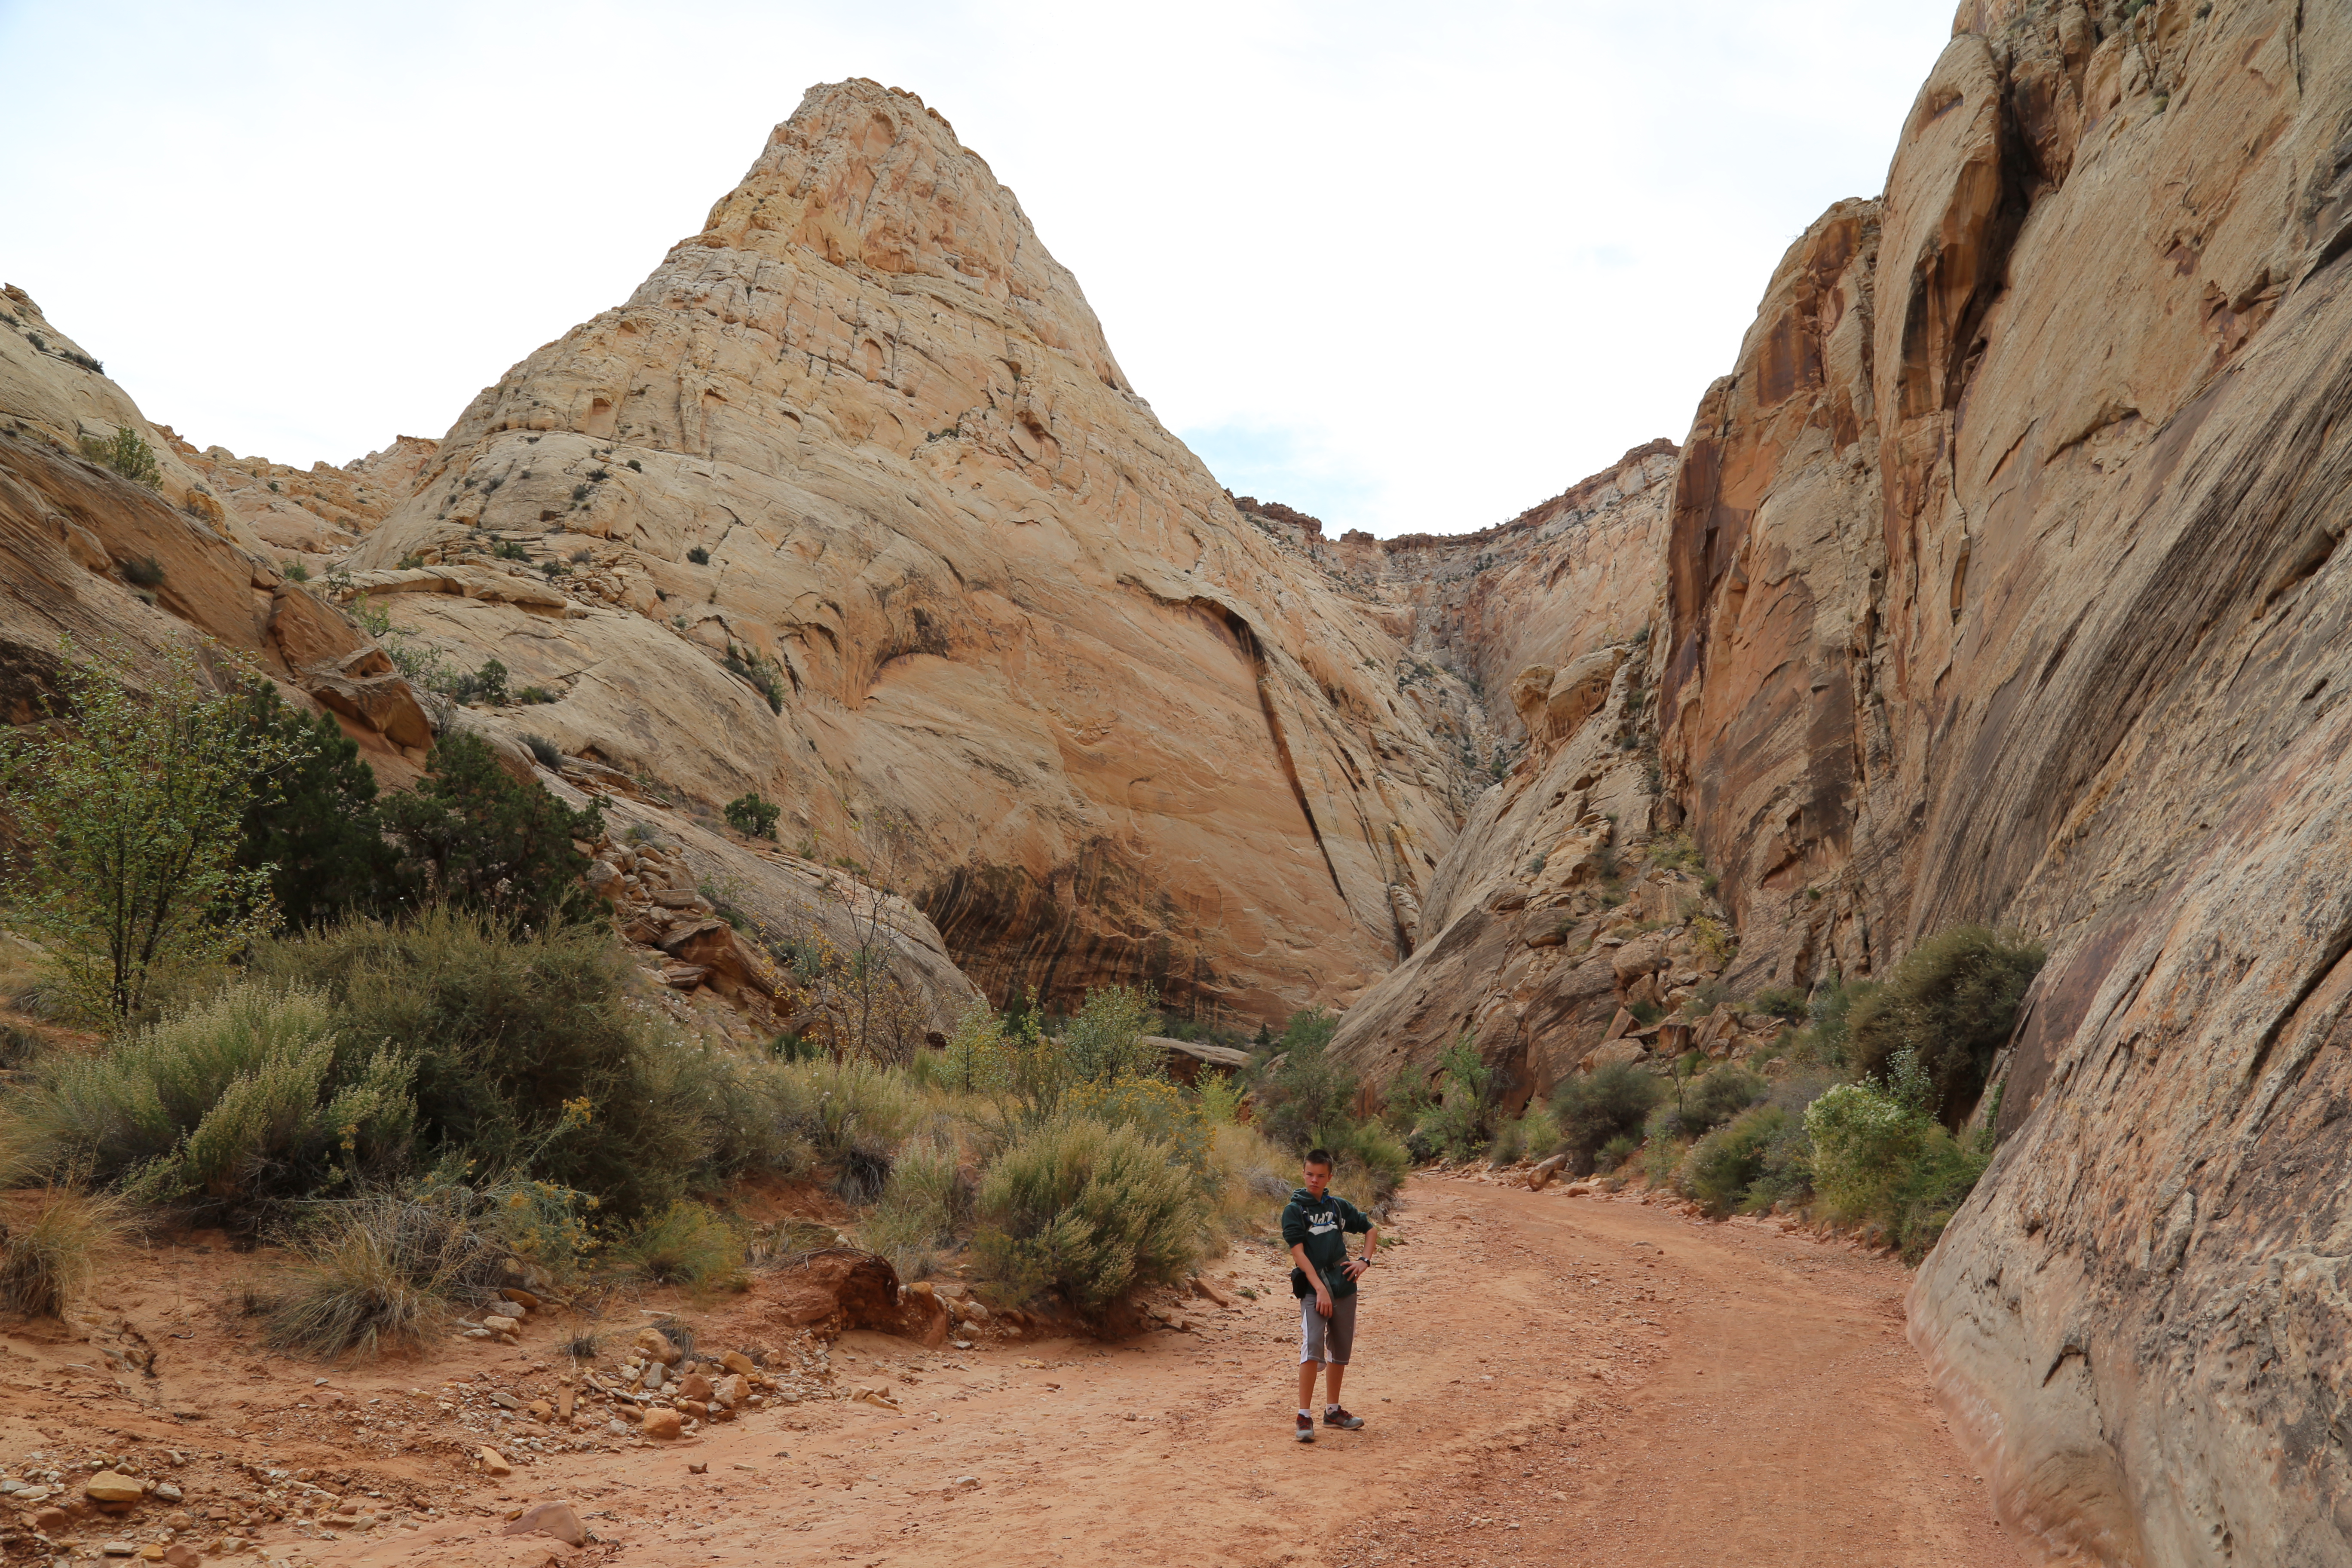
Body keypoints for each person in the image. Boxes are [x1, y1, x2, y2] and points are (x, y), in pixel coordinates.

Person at [1280, 1148, 1378, 1442]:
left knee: (1340, 1349)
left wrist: (1364, 1261)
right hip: (1314, 1288)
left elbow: (1371, 1229)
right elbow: (1299, 1254)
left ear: (1329, 1177)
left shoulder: (1337, 1206)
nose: (1314, 1180)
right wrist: (1320, 1288)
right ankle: (1304, 1416)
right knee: (1312, 1347)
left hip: (1344, 1285)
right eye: (1310, 1174)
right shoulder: (1295, 1210)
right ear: (1303, 1173)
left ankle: (1333, 1411)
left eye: (1321, 1176)